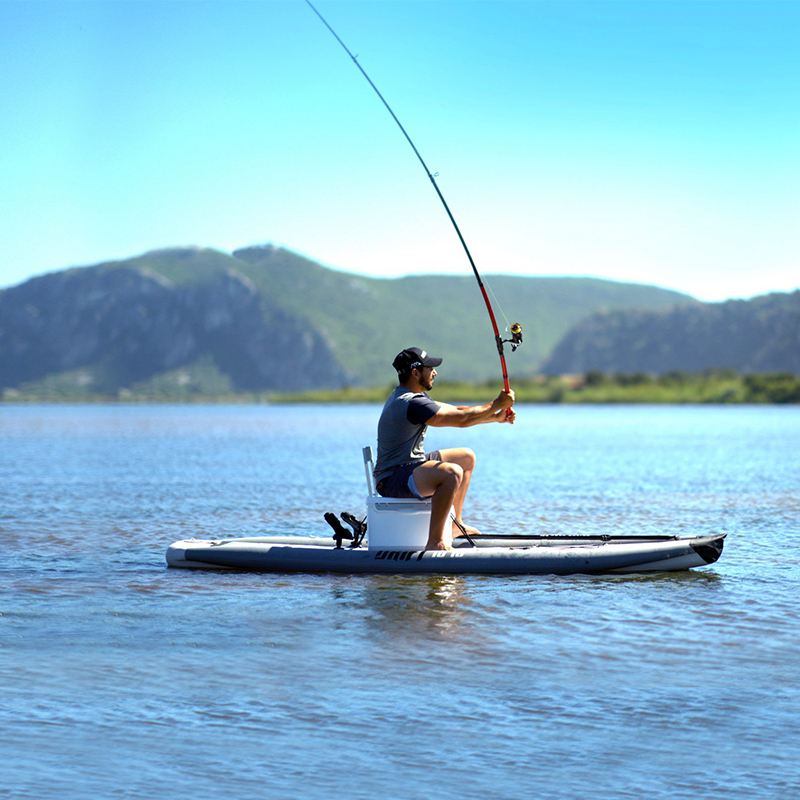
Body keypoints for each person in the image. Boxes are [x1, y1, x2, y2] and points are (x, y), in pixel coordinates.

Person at [373, 347, 515, 551]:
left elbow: (459, 410)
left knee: (465, 457)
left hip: (408, 466)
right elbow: (462, 421)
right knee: (451, 473)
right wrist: (496, 404)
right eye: (430, 368)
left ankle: (455, 524)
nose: (435, 372)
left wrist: (495, 416)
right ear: (415, 373)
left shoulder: (413, 396)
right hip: (391, 478)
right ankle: (435, 542)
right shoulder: (411, 403)